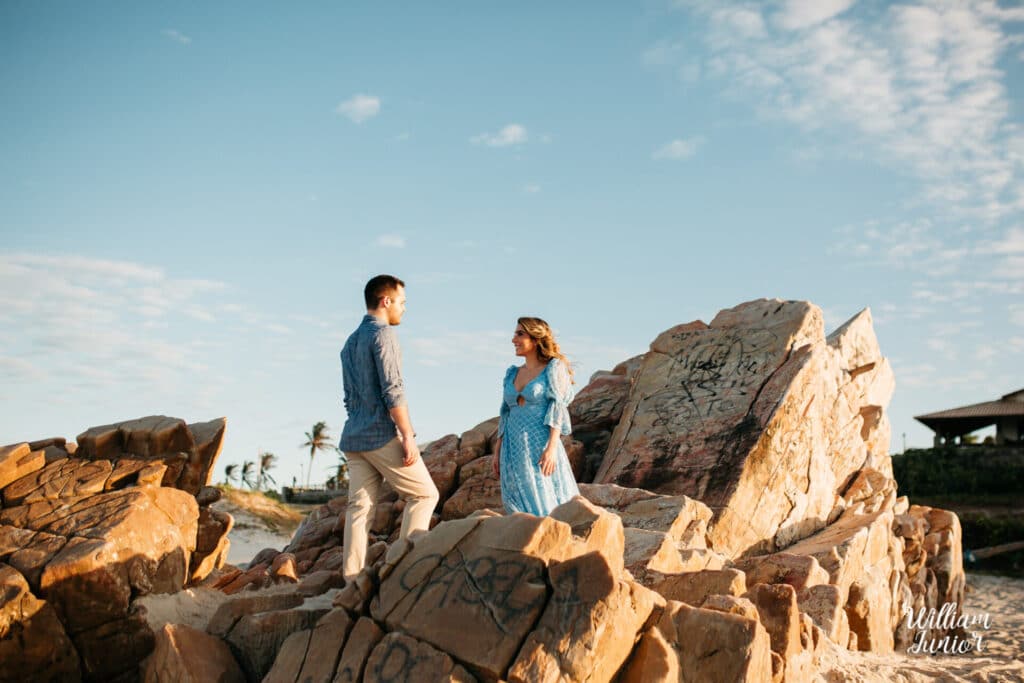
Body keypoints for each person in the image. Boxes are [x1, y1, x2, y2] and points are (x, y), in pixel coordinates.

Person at [339, 274, 439, 582]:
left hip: (354, 436)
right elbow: (393, 389)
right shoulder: (383, 335)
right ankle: (403, 571)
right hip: (380, 434)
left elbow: (349, 397)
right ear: (386, 301)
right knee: (424, 496)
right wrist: (407, 434)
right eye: (402, 302)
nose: (404, 309)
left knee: (359, 510)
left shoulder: (350, 341)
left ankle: (351, 582)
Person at [492, 316, 580, 515]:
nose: (513, 339)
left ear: (535, 338)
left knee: (545, 494)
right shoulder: (512, 373)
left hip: (539, 442)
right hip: (512, 446)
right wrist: (497, 451)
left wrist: (551, 448)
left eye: (519, 334)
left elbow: (557, 407)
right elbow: (505, 412)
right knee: (515, 501)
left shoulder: (553, 368)